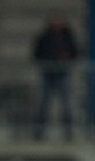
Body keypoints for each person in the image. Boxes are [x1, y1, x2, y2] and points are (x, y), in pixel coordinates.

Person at [32, 13, 78, 141]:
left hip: (63, 74)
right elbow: (36, 53)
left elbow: (75, 52)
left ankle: (68, 132)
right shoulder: (44, 37)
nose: (57, 24)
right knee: (43, 104)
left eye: (59, 22)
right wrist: (47, 61)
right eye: (54, 22)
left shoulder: (68, 37)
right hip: (47, 74)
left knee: (66, 105)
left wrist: (67, 59)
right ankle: (39, 131)